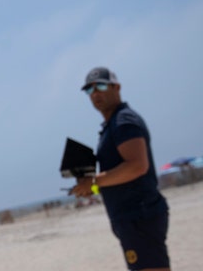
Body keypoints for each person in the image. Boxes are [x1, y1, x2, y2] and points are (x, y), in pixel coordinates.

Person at [71, 67, 170, 271]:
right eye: (89, 90)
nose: (95, 93)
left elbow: (137, 166)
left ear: (117, 87)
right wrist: (90, 187)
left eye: (100, 85)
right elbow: (119, 175)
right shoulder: (112, 125)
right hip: (132, 217)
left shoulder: (123, 121)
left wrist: (95, 181)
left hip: (139, 215)